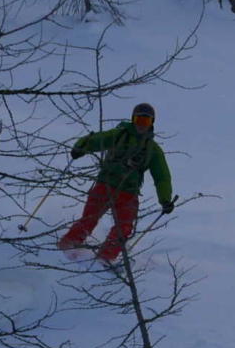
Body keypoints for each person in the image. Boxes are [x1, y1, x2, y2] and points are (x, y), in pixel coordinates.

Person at [58, 102, 175, 263]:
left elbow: (162, 176)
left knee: (124, 227)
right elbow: (99, 139)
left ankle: (105, 258)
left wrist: (165, 199)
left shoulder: (153, 150)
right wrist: (81, 147)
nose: (141, 125)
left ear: (151, 123)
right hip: (105, 184)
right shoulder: (120, 134)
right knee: (89, 218)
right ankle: (68, 245)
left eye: (146, 121)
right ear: (133, 120)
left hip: (129, 192)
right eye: (139, 120)